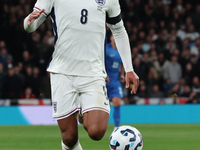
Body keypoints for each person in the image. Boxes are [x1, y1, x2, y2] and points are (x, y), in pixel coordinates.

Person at [23, 0, 139, 149]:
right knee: (69, 138)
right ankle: (81, 111)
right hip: (62, 72)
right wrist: (28, 22)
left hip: (93, 72)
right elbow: (31, 24)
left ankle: (82, 112)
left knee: (96, 132)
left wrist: (129, 68)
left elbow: (118, 30)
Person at [105, 35, 124, 129]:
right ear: (111, 38)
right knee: (102, 104)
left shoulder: (122, 49)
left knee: (117, 102)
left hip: (115, 80)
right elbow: (99, 60)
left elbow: (124, 62)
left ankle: (116, 127)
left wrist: (122, 74)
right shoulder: (106, 49)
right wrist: (103, 73)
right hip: (104, 79)